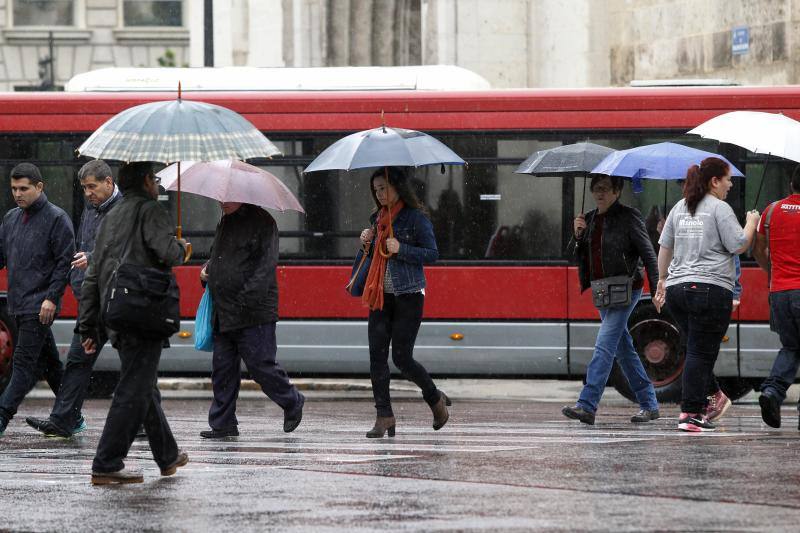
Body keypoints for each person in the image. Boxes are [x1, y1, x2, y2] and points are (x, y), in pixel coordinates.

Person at [79, 162, 190, 484]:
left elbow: (94, 273)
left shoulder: (110, 217)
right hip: (143, 311)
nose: (157, 184)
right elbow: (167, 253)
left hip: (115, 311)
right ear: (146, 181)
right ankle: (107, 463)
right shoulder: (150, 209)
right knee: (133, 388)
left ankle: (167, 456)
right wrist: (180, 245)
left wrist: (89, 325)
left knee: (142, 384)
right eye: (154, 179)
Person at [654, 157, 759, 432]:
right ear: (714, 181)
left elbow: (664, 247)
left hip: (678, 290)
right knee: (701, 352)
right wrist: (752, 221)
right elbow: (738, 244)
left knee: (694, 348)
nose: (730, 184)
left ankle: (714, 398)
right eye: (727, 179)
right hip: (710, 289)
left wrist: (661, 280)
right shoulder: (719, 208)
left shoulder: (680, 207)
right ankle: (691, 413)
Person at [25, 160, 122, 438]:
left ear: (108, 182)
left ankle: (143, 421)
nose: (88, 193)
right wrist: (79, 282)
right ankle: (63, 420)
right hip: (92, 299)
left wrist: (91, 259)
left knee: (133, 365)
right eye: (84, 188)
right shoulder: (91, 210)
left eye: (92, 186)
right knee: (79, 361)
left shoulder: (125, 211)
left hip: (117, 299)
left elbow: (125, 251)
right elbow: (83, 246)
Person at [199, 202, 305, 439]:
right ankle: (223, 422)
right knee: (223, 369)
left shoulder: (262, 222)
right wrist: (207, 271)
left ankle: (292, 401)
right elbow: (219, 258)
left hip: (253, 311)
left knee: (260, 365)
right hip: (223, 309)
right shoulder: (225, 220)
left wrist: (244, 299)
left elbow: (264, 269)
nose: (221, 202)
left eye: (227, 197)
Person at [561, 174, 660, 425]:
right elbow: (577, 256)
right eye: (596, 189)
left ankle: (587, 404)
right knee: (623, 349)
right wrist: (579, 236)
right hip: (603, 290)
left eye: (604, 189)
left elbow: (648, 254)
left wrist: (659, 284)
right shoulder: (591, 219)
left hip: (627, 288)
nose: (599, 194)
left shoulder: (629, 217)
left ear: (617, 191)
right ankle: (649, 404)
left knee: (604, 344)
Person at [359, 167, 449, 439]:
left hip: (409, 295)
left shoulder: (415, 218)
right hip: (379, 296)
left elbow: (432, 254)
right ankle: (384, 416)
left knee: (401, 357)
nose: (380, 194)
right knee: (377, 357)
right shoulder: (377, 219)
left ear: (397, 187)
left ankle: (434, 399)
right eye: (376, 190)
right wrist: (366, 242)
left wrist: (402, 249)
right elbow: (375, 257)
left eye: (384, 188)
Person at [0, 163, 74, 437]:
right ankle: (72, 417)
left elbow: (64, 262)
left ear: (39, 187)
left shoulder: (57, 218)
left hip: (40, 305)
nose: (18, 194)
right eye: (13, 189)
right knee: (51, 364)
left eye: (23, 188)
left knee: (22, 365)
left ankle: (2, 415)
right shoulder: (10, 218)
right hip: (18, 304)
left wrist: (52, 298)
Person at [752, 165, 800, 429]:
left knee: (791, 347)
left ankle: (772, 392)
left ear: (791, 184)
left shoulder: (771, 211)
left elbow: (758, 248)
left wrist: (773, 272)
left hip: (779, 292)